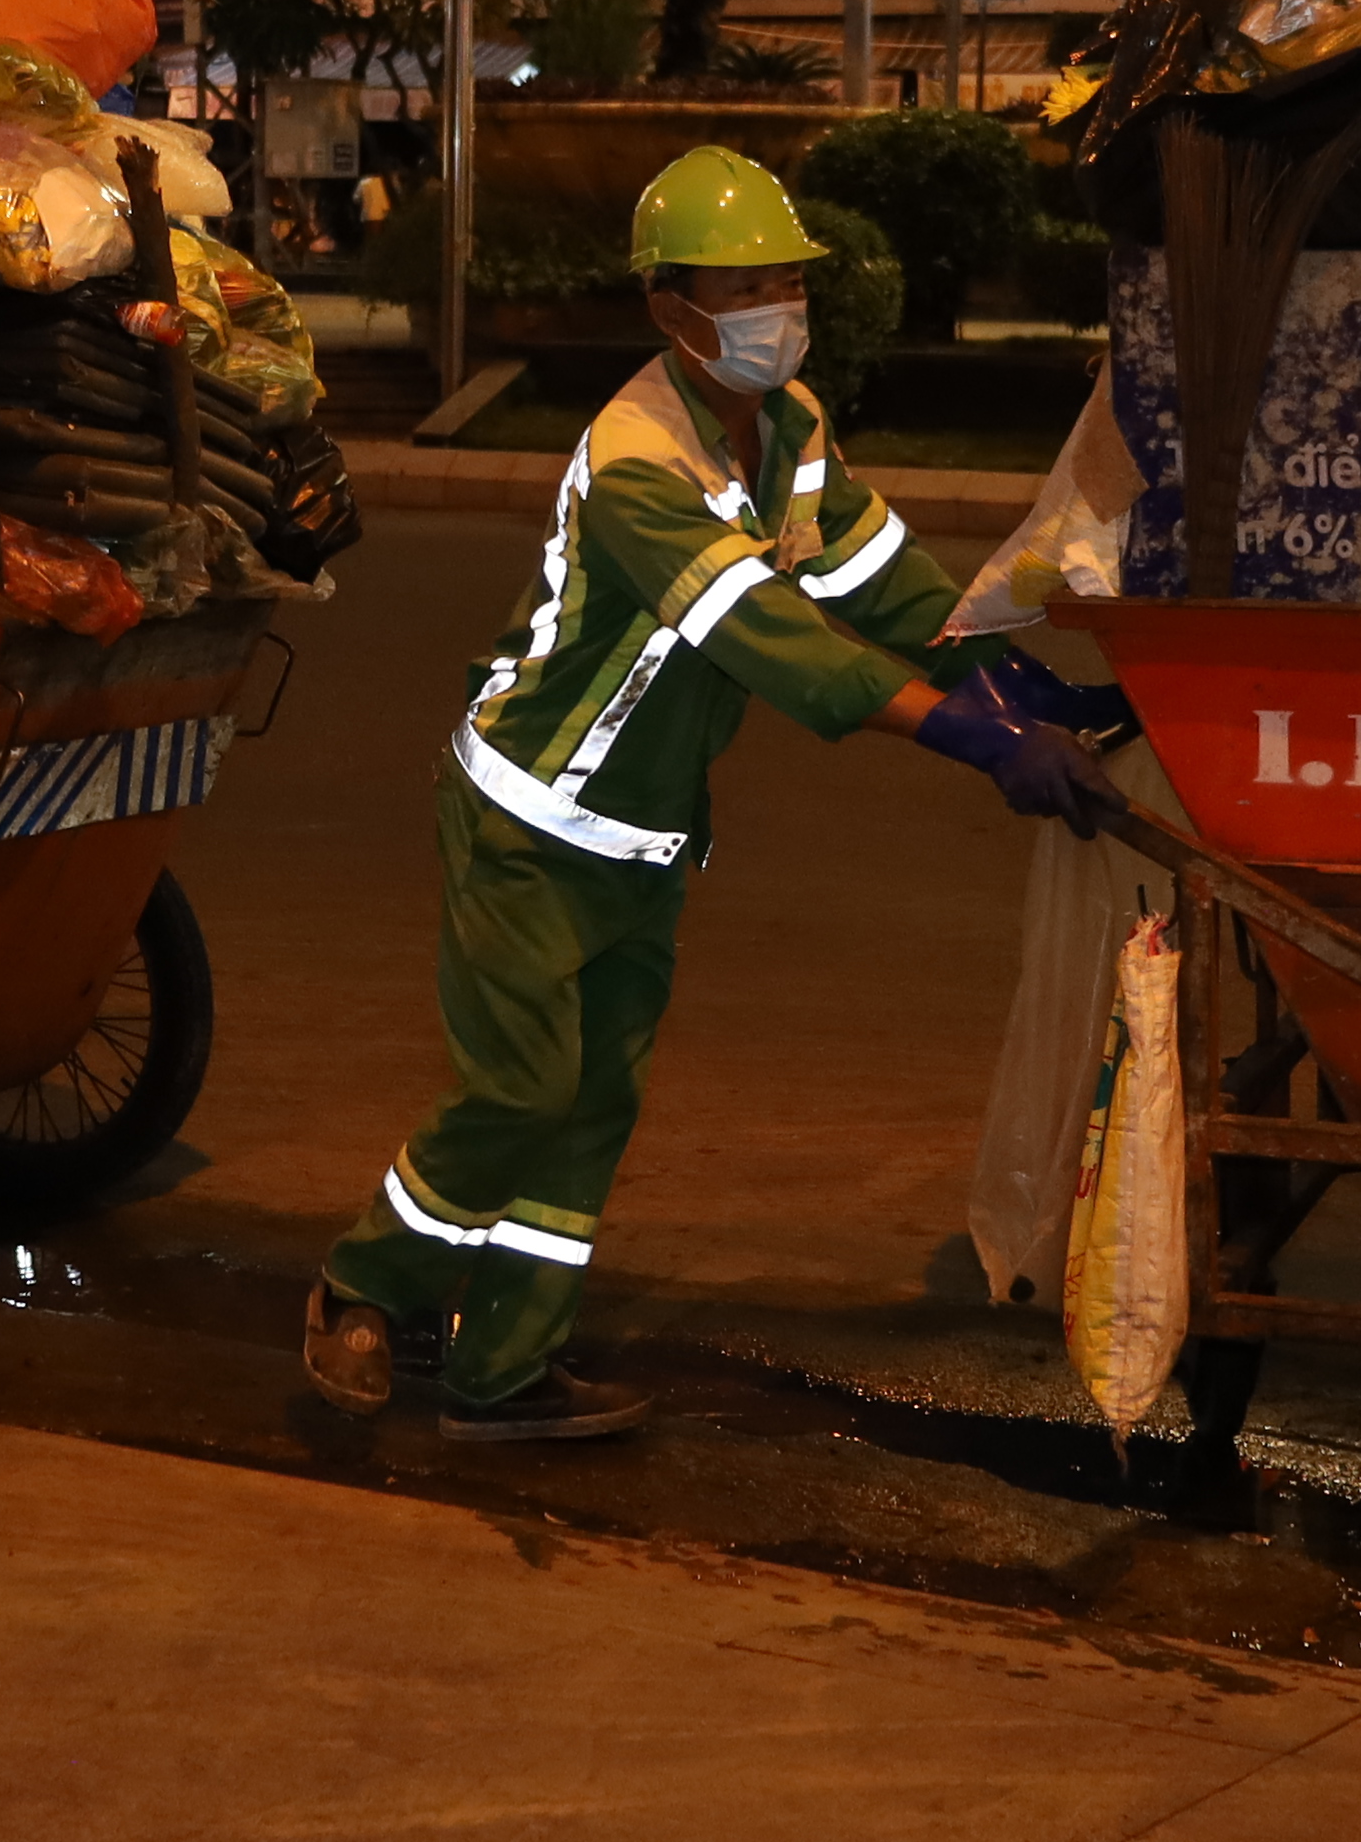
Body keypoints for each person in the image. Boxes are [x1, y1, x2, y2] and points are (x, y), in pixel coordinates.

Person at [304, 147, 1108, 1442]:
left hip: (649, 835)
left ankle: (503, 1372)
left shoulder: (789, 430)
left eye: (787, 279)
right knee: (519, 1093)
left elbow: (880, 586)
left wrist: (1021, 678)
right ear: (669, 305)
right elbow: (774, 640)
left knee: (592, 1108)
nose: (774, 307)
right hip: (525, 818)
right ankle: (365, 1282)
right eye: (743, 285)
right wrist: (970, 740)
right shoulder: (637, 463)